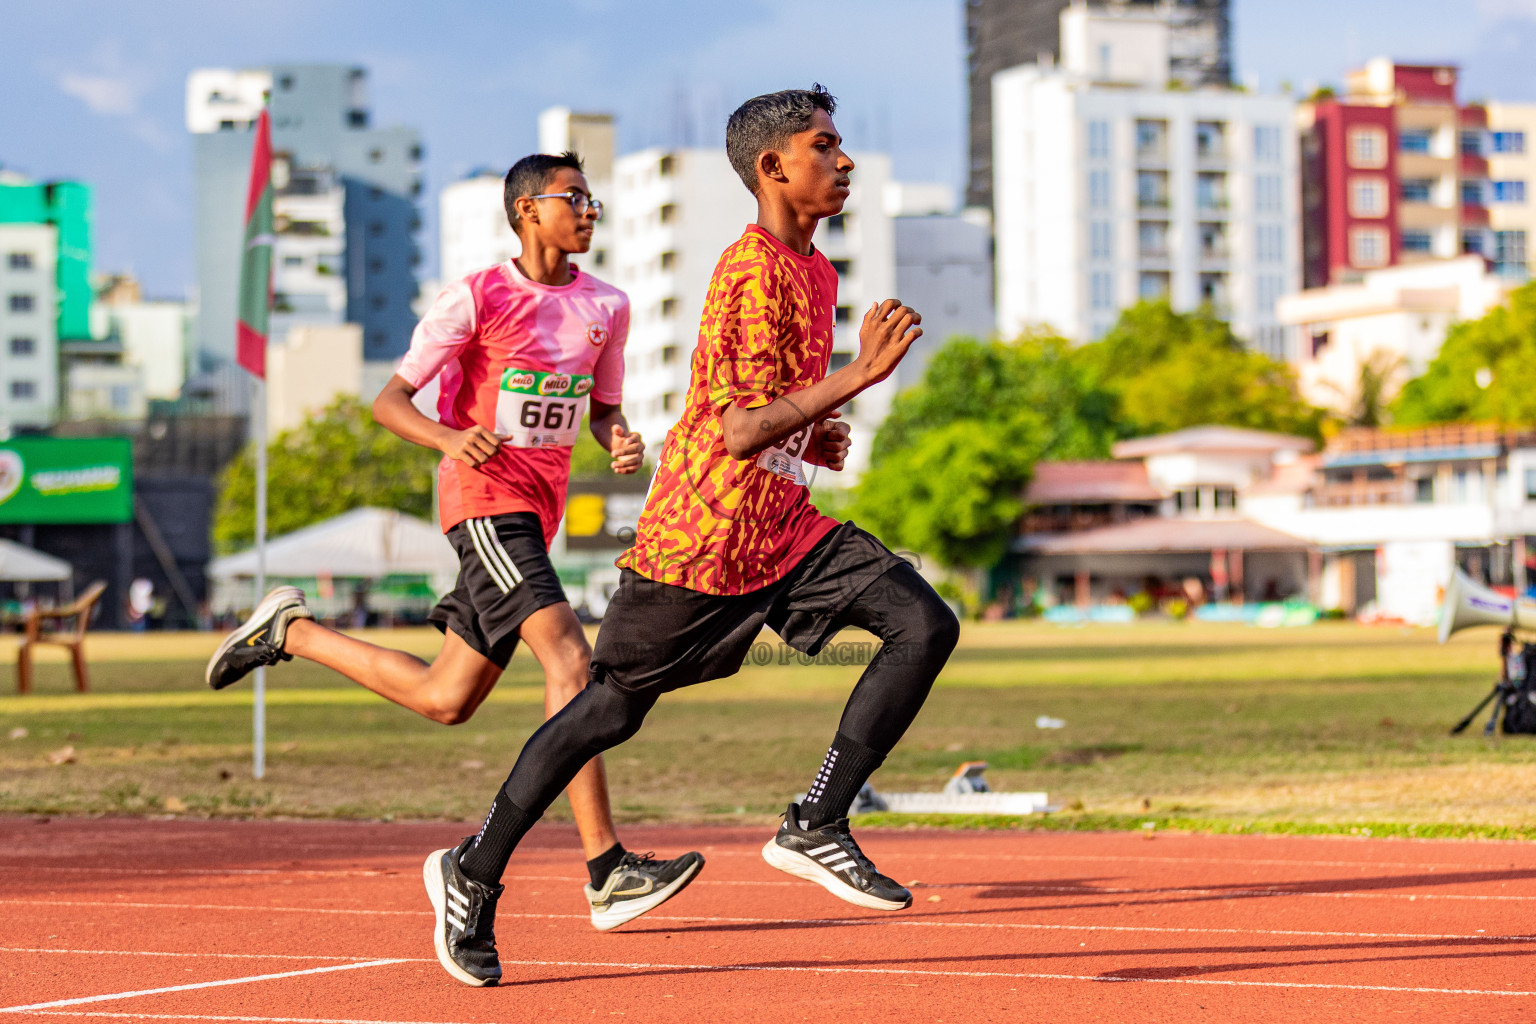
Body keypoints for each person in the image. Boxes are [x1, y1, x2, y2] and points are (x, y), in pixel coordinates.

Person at [421, 85, 960, 987]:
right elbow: (740, 431)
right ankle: (472, 871)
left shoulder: (819, 273)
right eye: (826, 145)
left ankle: (817, 821)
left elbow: (767, 417)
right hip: (702, 538)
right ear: (773, 167)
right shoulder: (746, 269)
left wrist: (818, 429)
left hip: (782, 528)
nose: (847, 160)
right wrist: (856, 377)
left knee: (925, 623)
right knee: (607, 711)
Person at [204, 152, 703, 935]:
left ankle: (289, 631)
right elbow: (388, 401)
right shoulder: (477, 297)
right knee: (573, 660)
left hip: (538, 513)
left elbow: (602, 408)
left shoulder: (609, 304)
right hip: (483, 502)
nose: (590, 210)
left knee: (447, 699)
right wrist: (448, 436)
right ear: (526, 210)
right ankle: (607, 868)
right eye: (574, 198)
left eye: (594, 199)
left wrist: (621, 440)